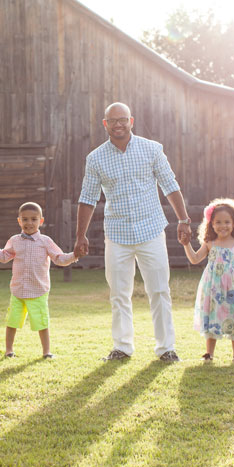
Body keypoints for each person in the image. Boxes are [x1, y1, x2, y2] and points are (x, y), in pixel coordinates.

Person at [75, 102, 191, 363]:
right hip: (117, 234)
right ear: (105, 124)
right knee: (119, 293)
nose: (118, 124)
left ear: (131, 121)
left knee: (159, 290)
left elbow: (170, 185)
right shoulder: (95, 158)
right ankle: (122, 347)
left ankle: (166, 348)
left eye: (123, 119)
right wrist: (80, 235)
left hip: (151, 230)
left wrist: (183, 219)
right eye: (113, 120)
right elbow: (87, 198)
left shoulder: (152, 149)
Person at [0, 202, 77, 359]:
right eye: (25, 219)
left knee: (42, 322)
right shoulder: (15, 240)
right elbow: (3, 257)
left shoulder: (45, 241)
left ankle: (46, 352)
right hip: (18, 291)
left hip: (38, 291)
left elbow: (59, 258)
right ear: (19, 221)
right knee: (12, 321)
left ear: (41, 221)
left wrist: (74, 255)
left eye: (34, 219)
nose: (29, 223)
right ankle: (9, 350)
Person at [179, 198, 234, 362]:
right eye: (218, 222)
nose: (223, 226)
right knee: (212, 316)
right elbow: (195, 259)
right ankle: (209, 353)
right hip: (213, 289)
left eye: (227, 222)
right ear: (211, 224)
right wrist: (186, 244)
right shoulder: (209, 243)